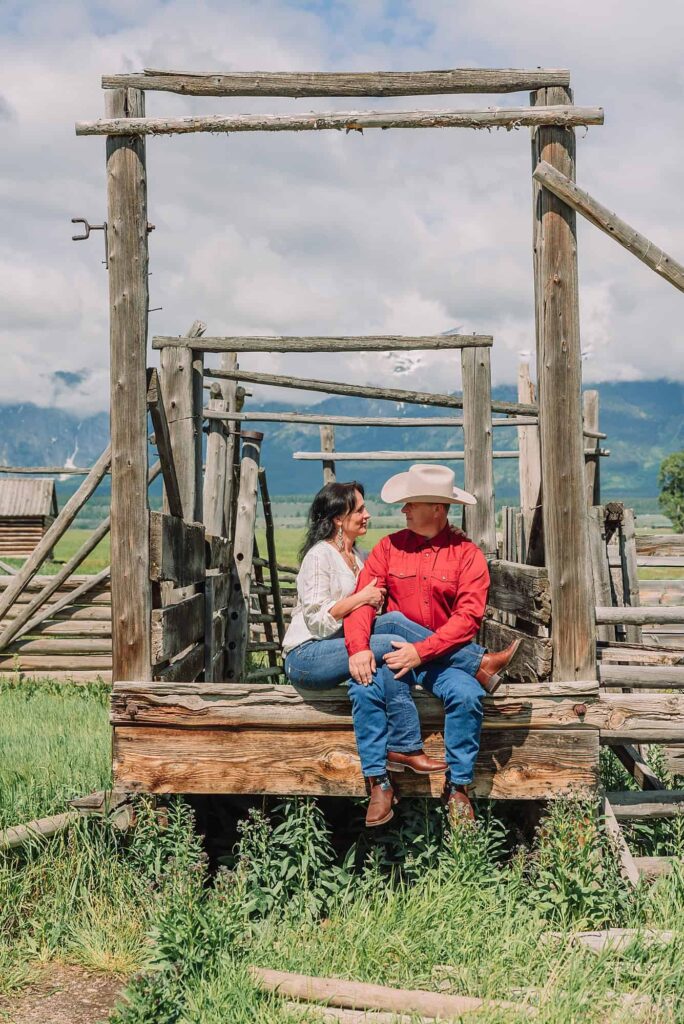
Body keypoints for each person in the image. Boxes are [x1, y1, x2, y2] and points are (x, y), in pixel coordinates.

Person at [344, 464, 520, 826]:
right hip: (395, 658)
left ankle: (457, 787)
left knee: (468, 697)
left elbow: (467, 619)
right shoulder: (388, 548)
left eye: (412, 503)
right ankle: (379, 783)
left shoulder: (467, 555)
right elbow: (364, 601)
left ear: (437, 509)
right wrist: (359, 647)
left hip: (443, 661)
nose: (403, 510)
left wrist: (421, 651)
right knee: (363, 691)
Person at [282, 481, 449, 826]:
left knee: (371, 677)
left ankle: (380, 783)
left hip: (343, 650)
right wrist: (363, 599)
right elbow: (317, 619)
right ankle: (468, 660)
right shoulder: (320, 555)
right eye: (359, 509)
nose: (367, 514)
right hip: (308, 655)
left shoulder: (359, 557)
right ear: (338, 518)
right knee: (390, 639)